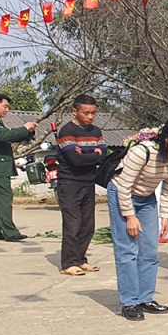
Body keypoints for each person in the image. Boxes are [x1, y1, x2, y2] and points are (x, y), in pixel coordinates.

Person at [108, 116, 168, 321]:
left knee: (149, 250)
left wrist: (164, 216)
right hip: (121, 194)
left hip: (147, 199)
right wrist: (129, 216)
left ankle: (145, 298)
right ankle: (129, 302)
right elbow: (124, 186)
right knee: (127, 250)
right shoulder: (142, 151)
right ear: (166, 137)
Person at [0, 92, 37, 241]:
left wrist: (27, 132)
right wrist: (23, 128)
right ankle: (10, 232)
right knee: (4, 198)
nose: (7, 110)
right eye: (5, 106)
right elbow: (3, 136)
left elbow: (7, 135)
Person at [55, 94, 104, 276]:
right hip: (69, 183)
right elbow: (75, 159)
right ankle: (69, 263)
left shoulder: (96, 131)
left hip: (88, 182)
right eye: (86, 113)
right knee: (72, 224)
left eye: (93, 113)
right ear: (75, 111)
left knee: (87, 225)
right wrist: (94, 153)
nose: (90, 116)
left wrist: (86, 153)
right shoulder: (67, 131)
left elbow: (104, 152)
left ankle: (81, 259)